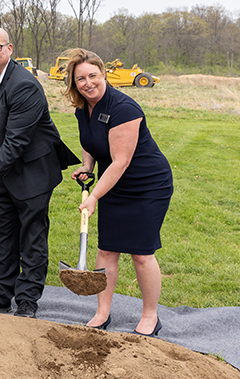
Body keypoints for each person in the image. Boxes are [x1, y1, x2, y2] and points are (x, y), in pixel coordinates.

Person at [0, 27, 79, 319]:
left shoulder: (25, 85)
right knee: (1, 235)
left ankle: (27, 300)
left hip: (32, 171)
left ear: (10, 49)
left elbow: (17, 142)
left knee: (32, 237)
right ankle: (0, 294)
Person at [64, 48, 172, 336]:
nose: (88, 83)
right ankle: (102, 312)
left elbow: (121, 160)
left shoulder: (125, 108)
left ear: (104, 74)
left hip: (146, 184)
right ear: (74, 84)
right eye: (81, 79)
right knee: (107, 249)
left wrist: (94, 195)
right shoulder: (82, 109)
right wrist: (87, 166)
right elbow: (89, 142)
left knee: (141, 253)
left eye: (93, 76)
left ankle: (150, 316)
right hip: (112, 183)